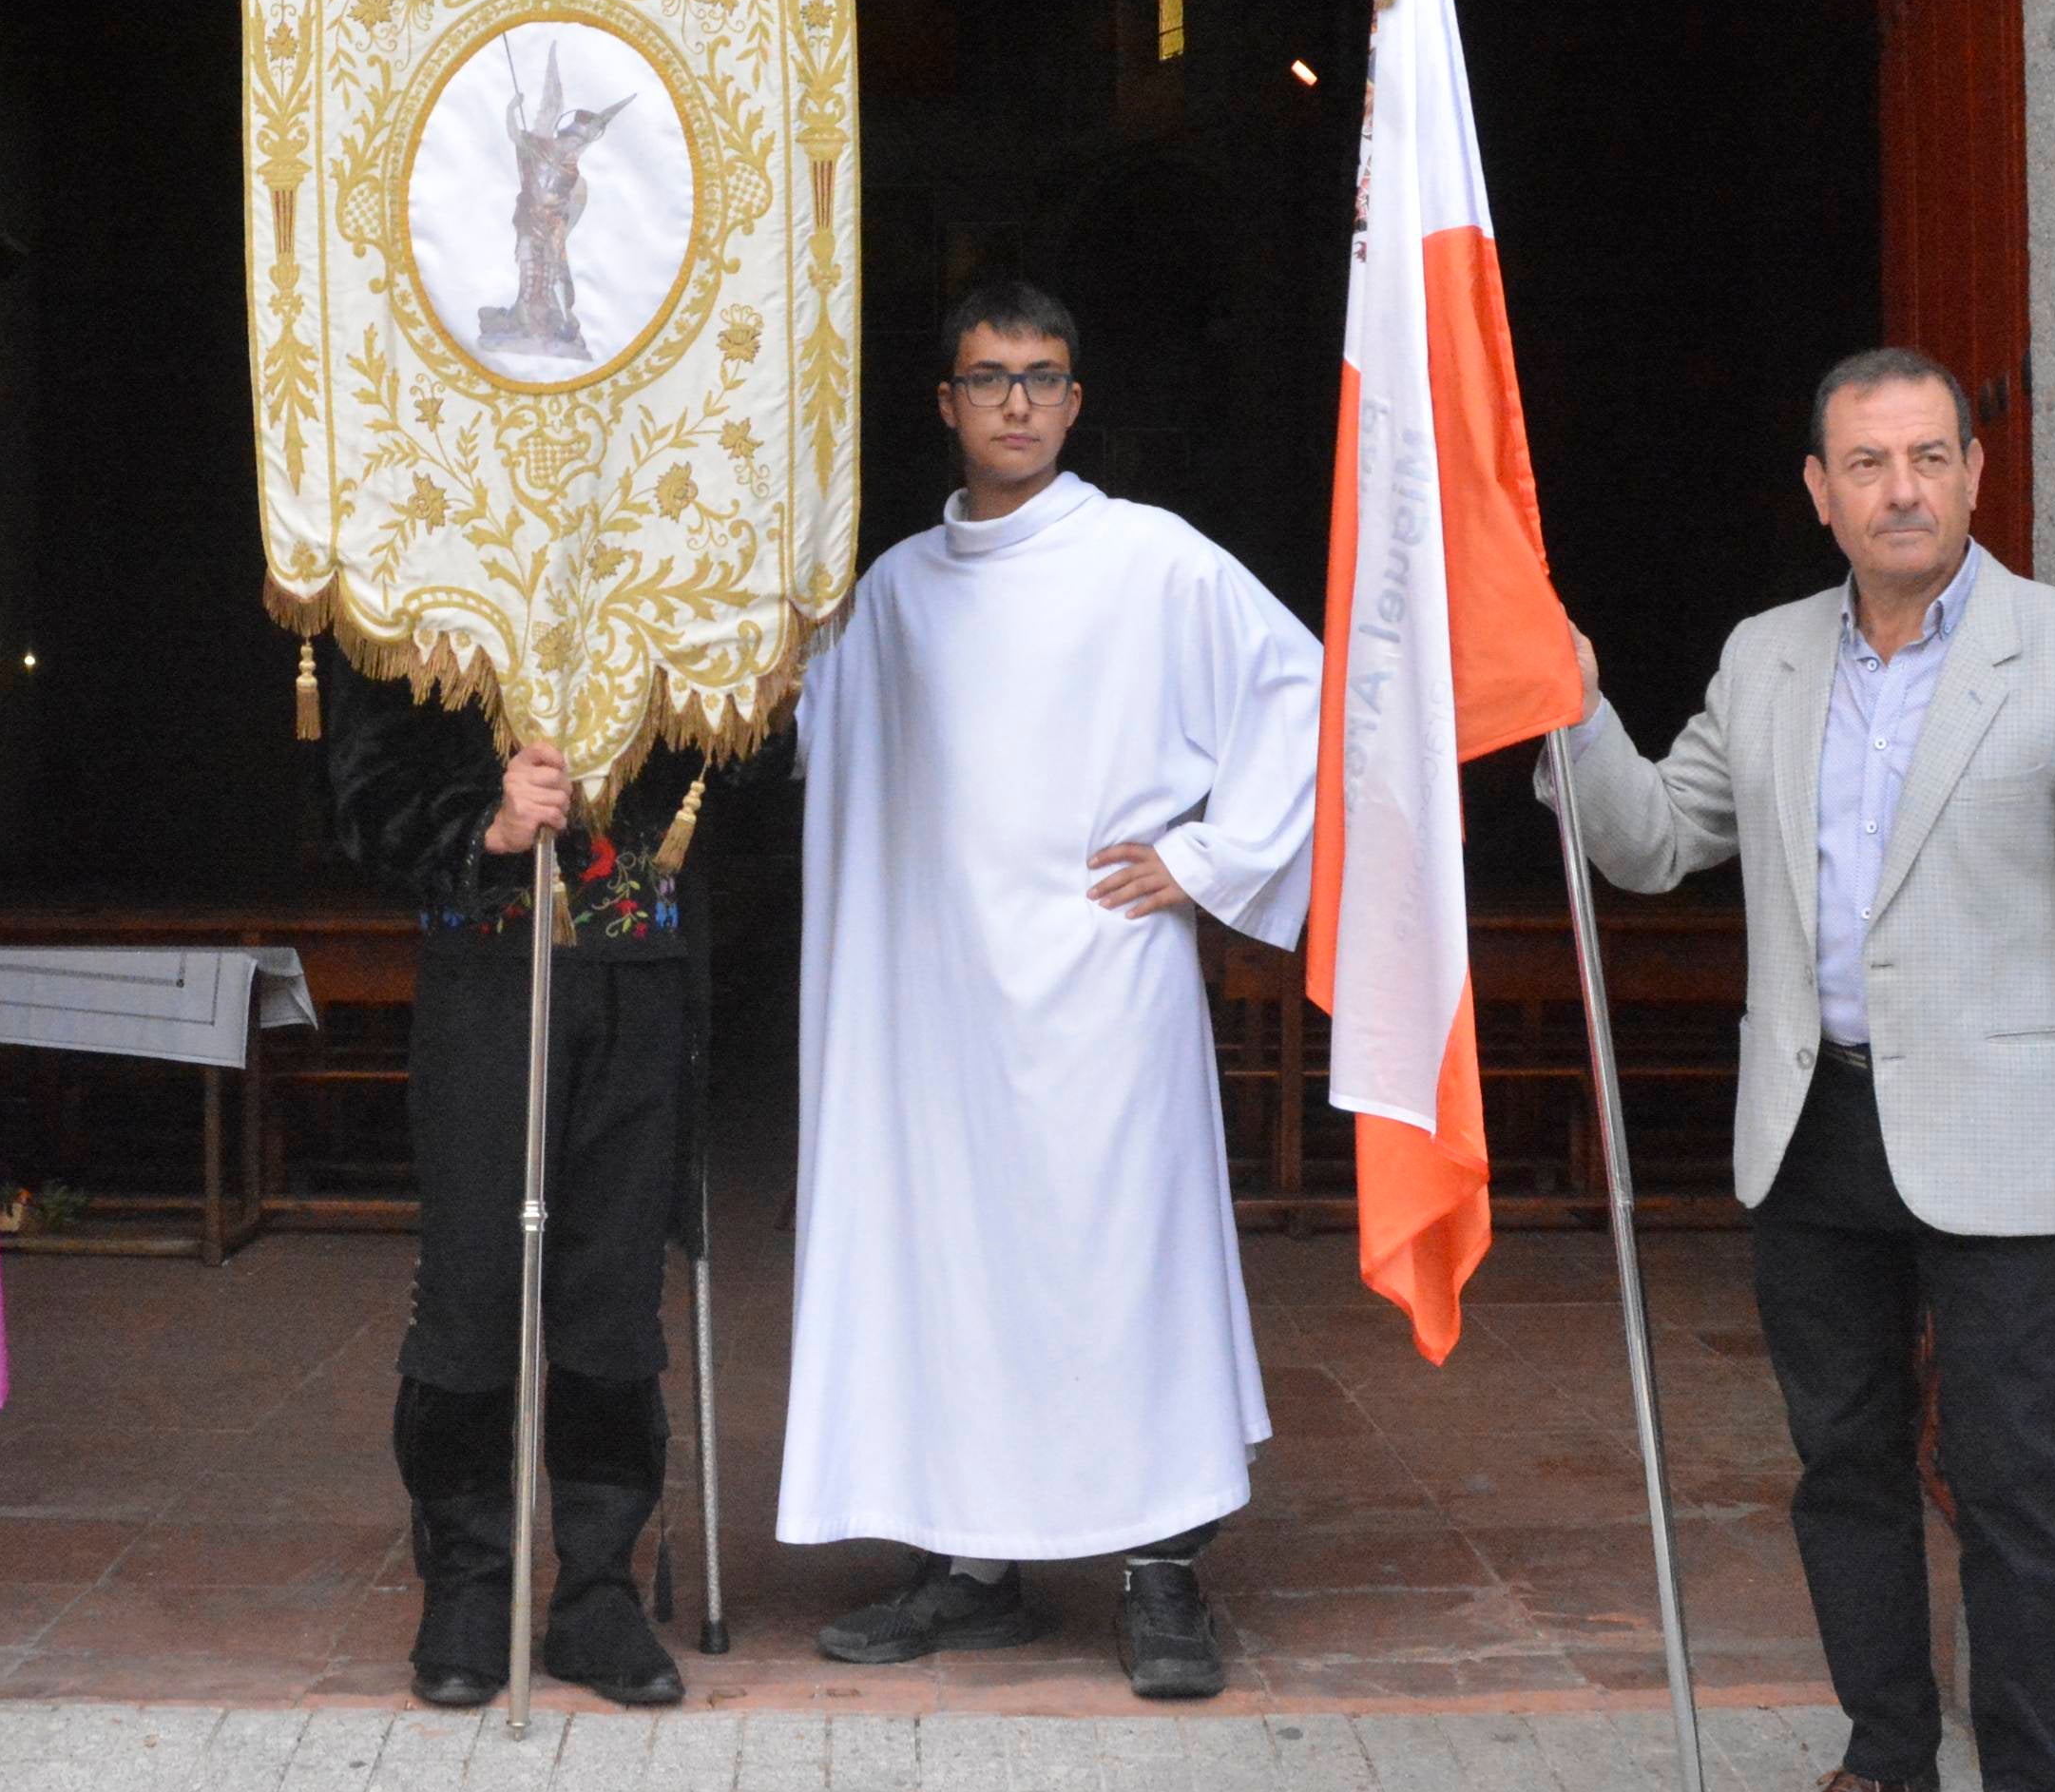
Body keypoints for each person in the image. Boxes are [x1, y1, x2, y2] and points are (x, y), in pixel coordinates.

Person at [1542, 345, 2055, 1792]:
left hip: (2004, 1137)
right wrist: (1565, 700)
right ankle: (1886, 1762)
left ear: (1974, 473)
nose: (1901, 488)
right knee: (1842, 1467)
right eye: (1867, 463)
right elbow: (1648, 846)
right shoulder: (1766, 659)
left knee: (2012, 1476)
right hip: (1812, 1122)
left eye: (1928, 457)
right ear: (1820, 495)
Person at [779, 279, 1321, 1699]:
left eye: (1042, 375)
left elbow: (1301, 690)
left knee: (1118, 1276)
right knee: (955, 1271)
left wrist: (1208, 858)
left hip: (1100, 990)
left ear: (1076, 403)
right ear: (945, 405)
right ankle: (971, 1566)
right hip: (940, 1011)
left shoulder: (1151, 561)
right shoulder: (889, 594)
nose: (1016, 400)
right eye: (987, 376)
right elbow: (782, 715)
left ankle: (1160, 1576)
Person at [325, 664, 704, 1709]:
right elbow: (363, 798)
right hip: (487, 978)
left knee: (612, 1296)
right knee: (474, 1290)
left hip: (638, 973)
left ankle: (596, 1591)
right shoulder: (427, 560)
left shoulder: (678, 542)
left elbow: (753, 760)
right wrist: (482, 823)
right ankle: (469, 1582)